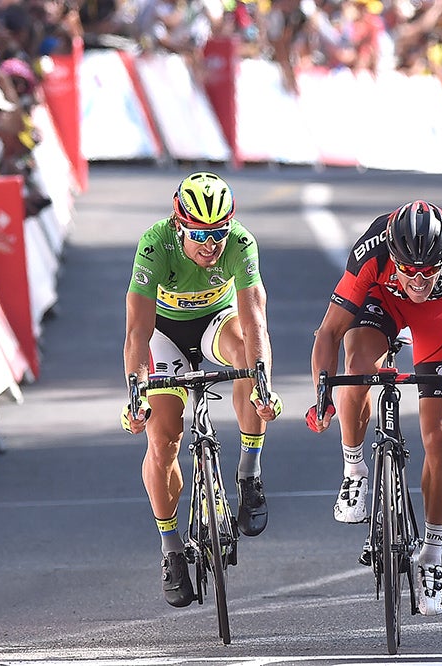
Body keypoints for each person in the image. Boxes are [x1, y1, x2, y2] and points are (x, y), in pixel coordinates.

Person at [306, 199, 442, 616]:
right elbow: (328, 332)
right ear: (392, 256)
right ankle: (355, 471)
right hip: (381, 303)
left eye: (428, 270)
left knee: (439, 434)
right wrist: (322, 393)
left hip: (438, 319)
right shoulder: (372, 249)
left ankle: (431, 558)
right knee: (357, 366)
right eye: (408, 269)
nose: (417, 278)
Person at [121, 172, 283, 608]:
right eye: (199, 235)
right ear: (179, 225)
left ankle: (249, 471)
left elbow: (254, 321)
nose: (210, 246)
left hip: (218, 322)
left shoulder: (241, 244)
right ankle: (171, 547)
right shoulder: (155, 244)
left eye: (218, 234)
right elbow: (137, 331)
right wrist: (136, 393)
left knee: (249, 363)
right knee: (162, 438)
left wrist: (263, 380)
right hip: (164, 333)